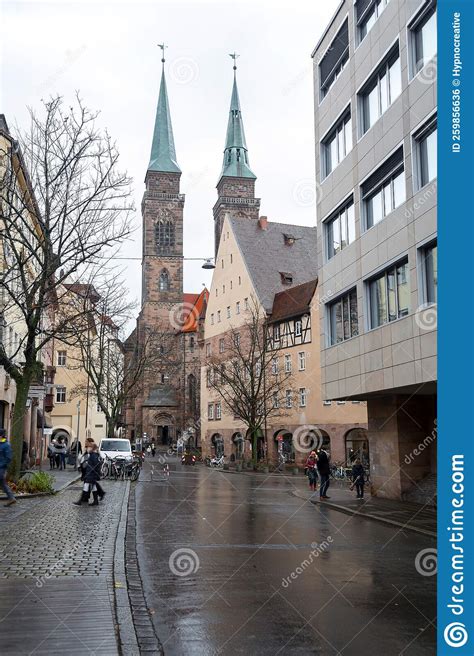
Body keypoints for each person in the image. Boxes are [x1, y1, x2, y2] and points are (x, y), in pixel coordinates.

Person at [0, 429, 16, 507]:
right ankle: (11, 498)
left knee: (3, 483)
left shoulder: (6, 445)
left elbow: (8, 458)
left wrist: (1, 465)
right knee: (3, 484)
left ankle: (11, 498)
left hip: (1, 468)